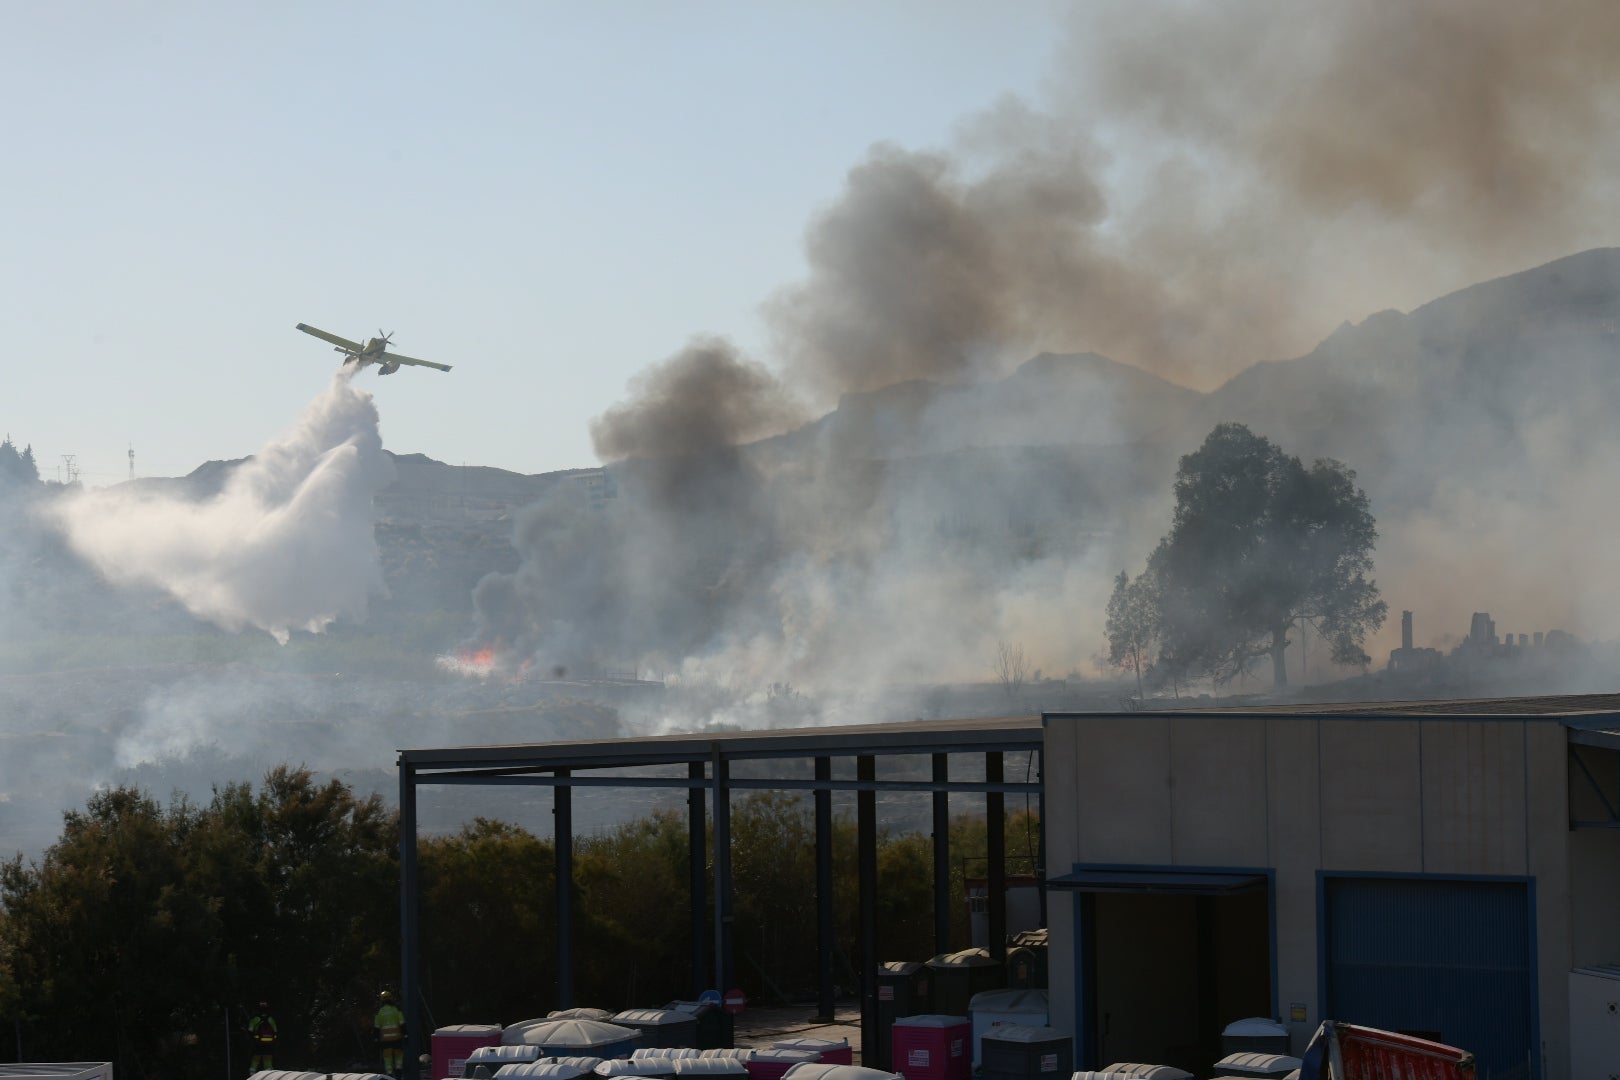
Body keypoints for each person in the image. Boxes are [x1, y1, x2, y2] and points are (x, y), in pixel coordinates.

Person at [375, 990, 406, 1077]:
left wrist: (376, 1038)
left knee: (387, 1057)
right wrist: (405, 1034)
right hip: (397, 1038)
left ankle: (389, 1074)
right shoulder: (396, 1009)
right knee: (398, 1056)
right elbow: (402, 1023)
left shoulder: (379, 1012)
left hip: (385, 1040)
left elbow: (376, 1027)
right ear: (391, 998)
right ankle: (399, 1072)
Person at [247, 1002, 278, 1073]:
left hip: (258, 1043)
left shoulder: (255, 1019)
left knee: (256, 1058)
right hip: (269, 1043)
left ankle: (252, 1073)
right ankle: (269, 1073)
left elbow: (250, 1031)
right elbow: (275, 1031)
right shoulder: (271, 1018)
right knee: (268, 1058)